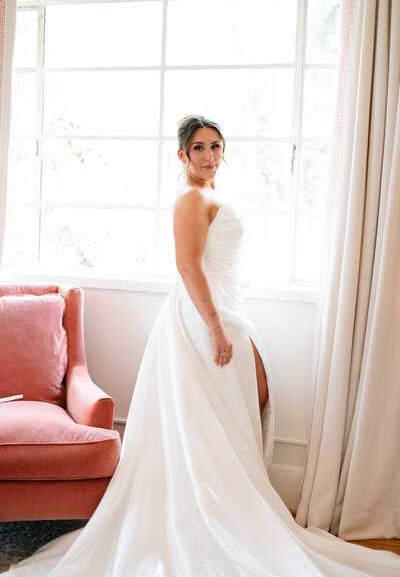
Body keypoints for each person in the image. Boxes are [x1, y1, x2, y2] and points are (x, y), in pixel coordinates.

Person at [4, 115, 400, 576]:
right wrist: (214, 327)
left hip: (224, 303)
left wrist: (228, 285)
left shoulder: (209, 193)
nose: (209, 155)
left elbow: (211, 258)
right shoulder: (191, 197)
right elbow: (188, 266)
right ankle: (205, 515)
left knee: (233, 411)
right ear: (182, 154)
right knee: (210, 416)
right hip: (204, 318)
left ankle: (225, 506)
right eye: (198, 147)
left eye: (215, 145)